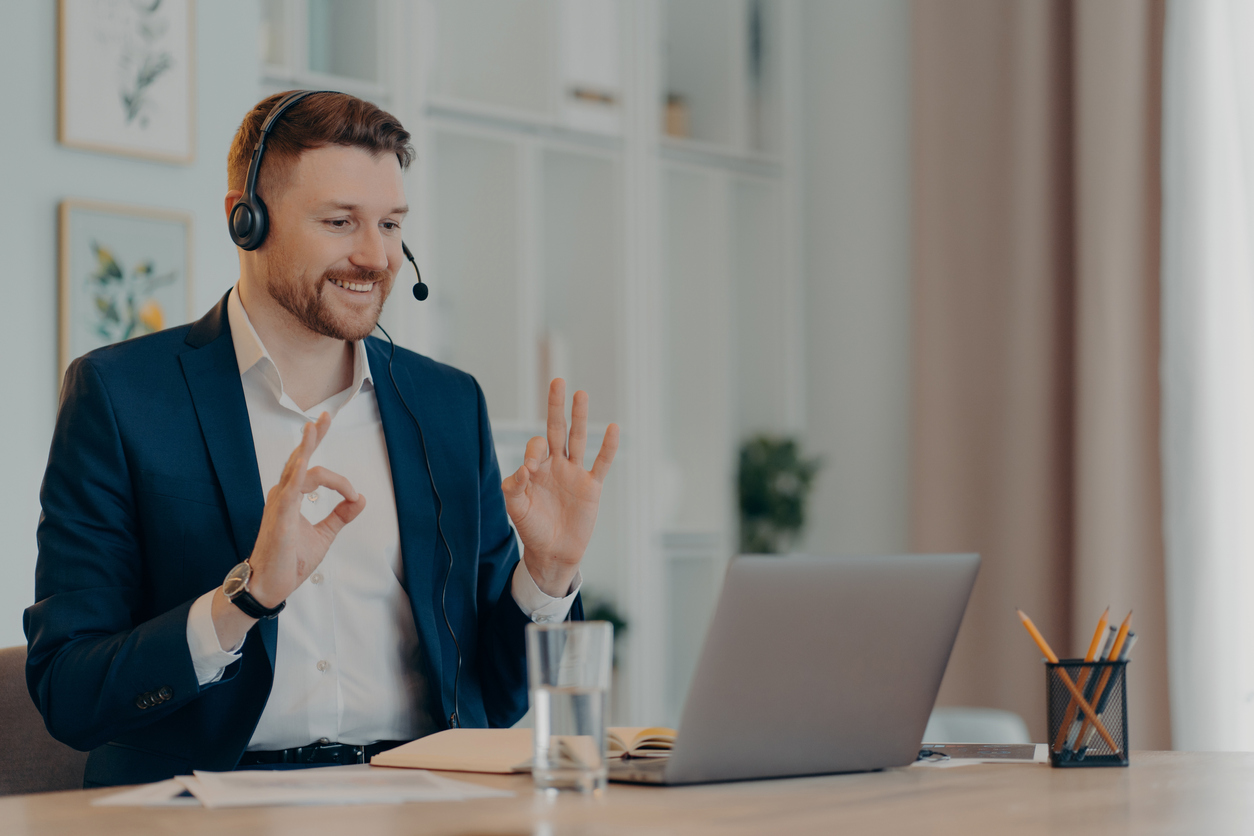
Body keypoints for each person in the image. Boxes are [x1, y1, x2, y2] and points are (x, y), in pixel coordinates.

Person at [24, 90, 618, 788]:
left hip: (425, 799)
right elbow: (69, 690)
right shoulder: (122, 396)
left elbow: (497, 691)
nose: (377, 257)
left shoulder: (448, 404)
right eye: (341, 222)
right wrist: (243, 600)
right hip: (207, 801)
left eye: (392, 224)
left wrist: (545, 576)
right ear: (244, 222)